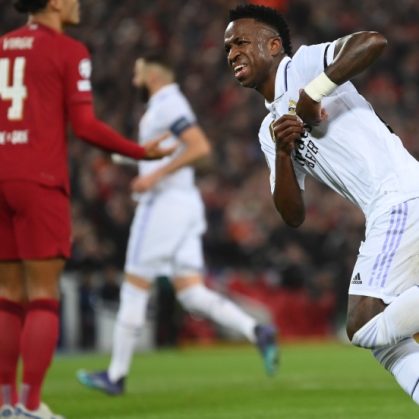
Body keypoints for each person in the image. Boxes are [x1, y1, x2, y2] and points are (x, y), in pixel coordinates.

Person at [223, 3, 419, 405]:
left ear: (273, 45)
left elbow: (372, 42)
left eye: (241, 42)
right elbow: (292, 215)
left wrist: (313, 94)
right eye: (228, 48)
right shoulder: (268, 129)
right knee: (385, 341)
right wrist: (282, 152)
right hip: (389, 207)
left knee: (363, 324)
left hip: (399, 197)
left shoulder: (303, 66)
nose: (232, 53)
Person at [0, 0, 174, 417]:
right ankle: (30, 405)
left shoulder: (2, 45)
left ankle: (4, 403)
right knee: (43, 295)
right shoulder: (68, 50)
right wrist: (139, 152)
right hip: (39, 179)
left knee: (7, 295)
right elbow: (85, 126)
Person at [76, 54, 278, 396]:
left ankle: (116, 374)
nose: (134, 80)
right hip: (184, 205)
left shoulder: (168, 103)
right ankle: (256, 330)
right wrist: (126, 155)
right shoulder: (164, 106)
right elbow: (168, 151)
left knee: (134, 283)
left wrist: (153, 176)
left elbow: (198, 146)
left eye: (138, 73)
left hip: (163, 206)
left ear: (153, 74)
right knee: (191, 294)